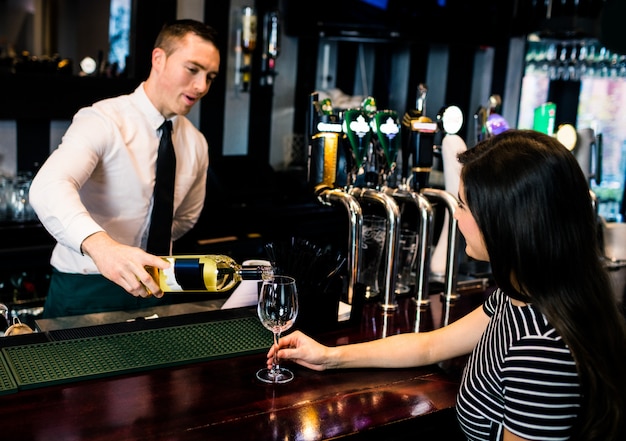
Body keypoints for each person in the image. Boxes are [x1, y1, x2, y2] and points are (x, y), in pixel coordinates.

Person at [267, 129, 626, 441]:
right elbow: (430, 345)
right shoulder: (518, 297)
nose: (455, 214)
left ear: (508, 224)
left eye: (465, 205)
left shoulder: (542, 351)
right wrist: (328, 357)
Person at [29, 19, 220, 318]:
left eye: (210, 77)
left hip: (159, 287)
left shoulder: (196, 143)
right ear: (159, 59)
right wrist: (104, 249)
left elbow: (182, 219)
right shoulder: (102, 119)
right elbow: (48, 186)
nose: (201, 86)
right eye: (192, 70)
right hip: (86, 287)